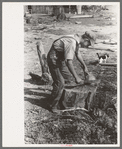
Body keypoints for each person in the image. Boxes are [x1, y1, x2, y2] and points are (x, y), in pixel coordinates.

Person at [47, 31, 96, 113]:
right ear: (86, 40)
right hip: (54, 58)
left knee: (68, 78)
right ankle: (52, 105)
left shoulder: (77, 39)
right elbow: (69, 62)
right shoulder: (72, 42)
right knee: (60, 82)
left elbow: (78, 54)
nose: (88, 46)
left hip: (59, 58)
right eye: (89, 44)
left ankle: (61, 97)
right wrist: (76, 77)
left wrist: (85, 67)